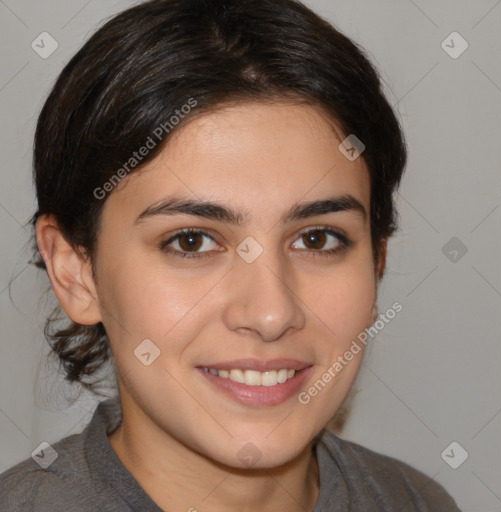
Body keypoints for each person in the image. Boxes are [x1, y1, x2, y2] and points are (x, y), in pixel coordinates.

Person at [0, 0, 462, 510]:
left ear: (377, 259)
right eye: (191, 241)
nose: (270, 313)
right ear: (76, 272)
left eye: (317, 239)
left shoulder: (417, 501)